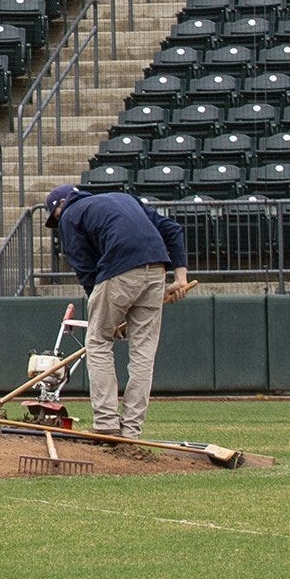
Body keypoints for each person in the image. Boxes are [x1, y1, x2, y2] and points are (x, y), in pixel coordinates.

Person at [45, 184, 190, 440]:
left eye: (54, 218)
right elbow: (172, 229)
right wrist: (180, 277)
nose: (57, 223)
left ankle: (106, 424)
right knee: (143, 353)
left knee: (98, 341)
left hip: (119, 270)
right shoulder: (124, 198)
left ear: (59, 207)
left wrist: (106, 313)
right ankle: (132, 431)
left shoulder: (69, 215)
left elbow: (86, 269)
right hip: (157, 270)